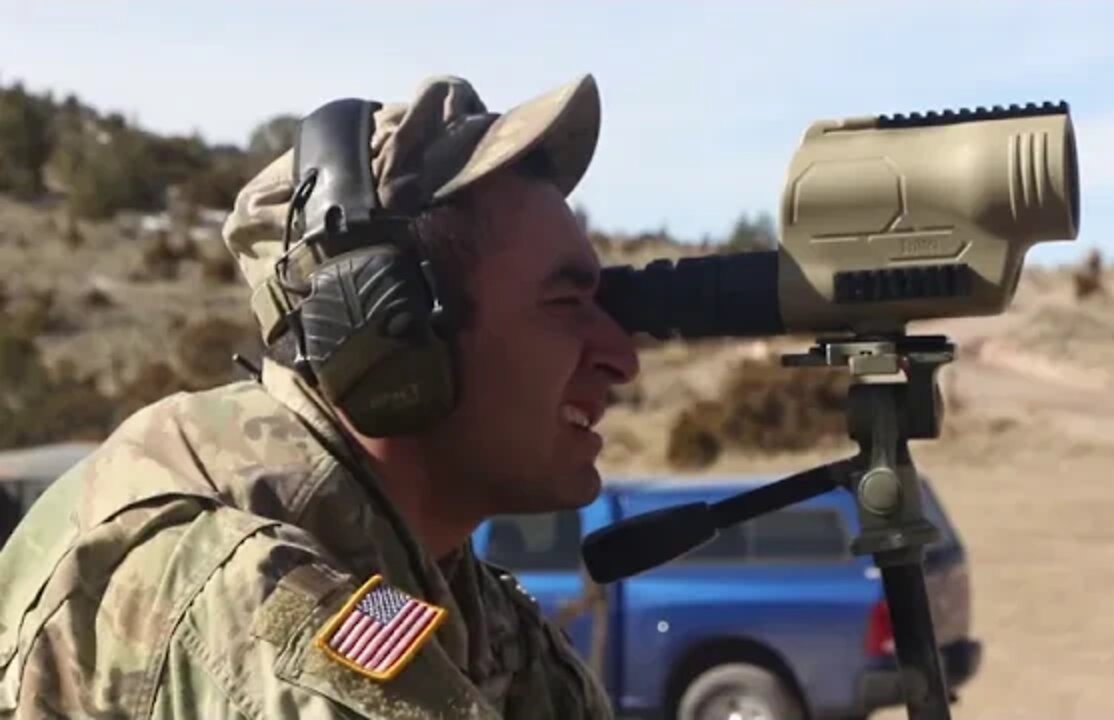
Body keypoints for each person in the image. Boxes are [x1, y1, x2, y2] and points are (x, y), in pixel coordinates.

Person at [0, 73, 638, 719]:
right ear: (390, 331)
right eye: (564, 303)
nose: (621, 359)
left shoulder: (445, 585)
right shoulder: (251, 602)